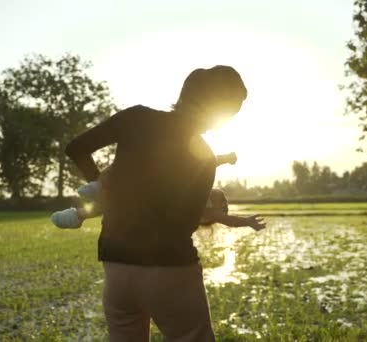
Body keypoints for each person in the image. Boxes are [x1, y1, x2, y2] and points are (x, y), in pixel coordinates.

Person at [63, 65, 266, 341]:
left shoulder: (136, 117)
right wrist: (214, 214)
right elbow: (187, 223)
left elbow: (76, 148)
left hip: (116, 266)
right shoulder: (204, 157)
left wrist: (102, 187)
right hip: (170, 269)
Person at [50, 153, 248, 229]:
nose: (222, 198)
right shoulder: (197, 180)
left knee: (117, 203)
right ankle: (98, 189)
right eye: (221, 195)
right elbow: (208, 162)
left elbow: (224, 219)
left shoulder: (196, 212)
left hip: (149, 207)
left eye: (221, 204)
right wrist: (225, 158)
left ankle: (80, 213)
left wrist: (247, 222)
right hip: (153, 184)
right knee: (129, 164)